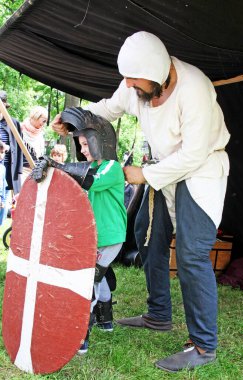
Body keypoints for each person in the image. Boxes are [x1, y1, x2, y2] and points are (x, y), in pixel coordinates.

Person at [51, 31, 230, 372]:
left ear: (158, 72)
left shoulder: (195, 88)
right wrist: (76, 118)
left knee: (191, 254)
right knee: (147, 235)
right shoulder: (137, 85)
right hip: (164, 170)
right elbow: (108, 109)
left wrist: (141, 174)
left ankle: (204, 345)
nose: (129, 85)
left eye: (135, 79)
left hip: (202, 169)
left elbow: (193, 154)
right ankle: (159, 314)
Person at [32, 109, 127, 355]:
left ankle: (80, 335)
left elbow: (89, 179)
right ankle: (106, 320)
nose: (83, 149)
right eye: (81, 144)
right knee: (100, 277)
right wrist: (48, 170)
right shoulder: (91, 166)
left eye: (86, 143)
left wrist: (55, 163)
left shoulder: (112, 167)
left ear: (99, 142)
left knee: (88, 281)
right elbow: (71, 179)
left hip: (110, 237)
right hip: (95, 236)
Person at [0, 90, 23, 224]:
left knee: (5, 202)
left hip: (8, 167)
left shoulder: (13, 123)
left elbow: (19, 146)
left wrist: (18, 171)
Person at [21, 105, 48, 183]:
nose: (44, 123)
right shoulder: (20, 129)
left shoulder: (41, 134)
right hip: (21, 171)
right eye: (43, 120)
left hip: (35, 172)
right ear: (36, 116)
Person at [0, 140, 8, 226]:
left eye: (3, 152)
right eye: (1, 152)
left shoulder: (3, 167)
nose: (2, 155)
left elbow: (3, 184)